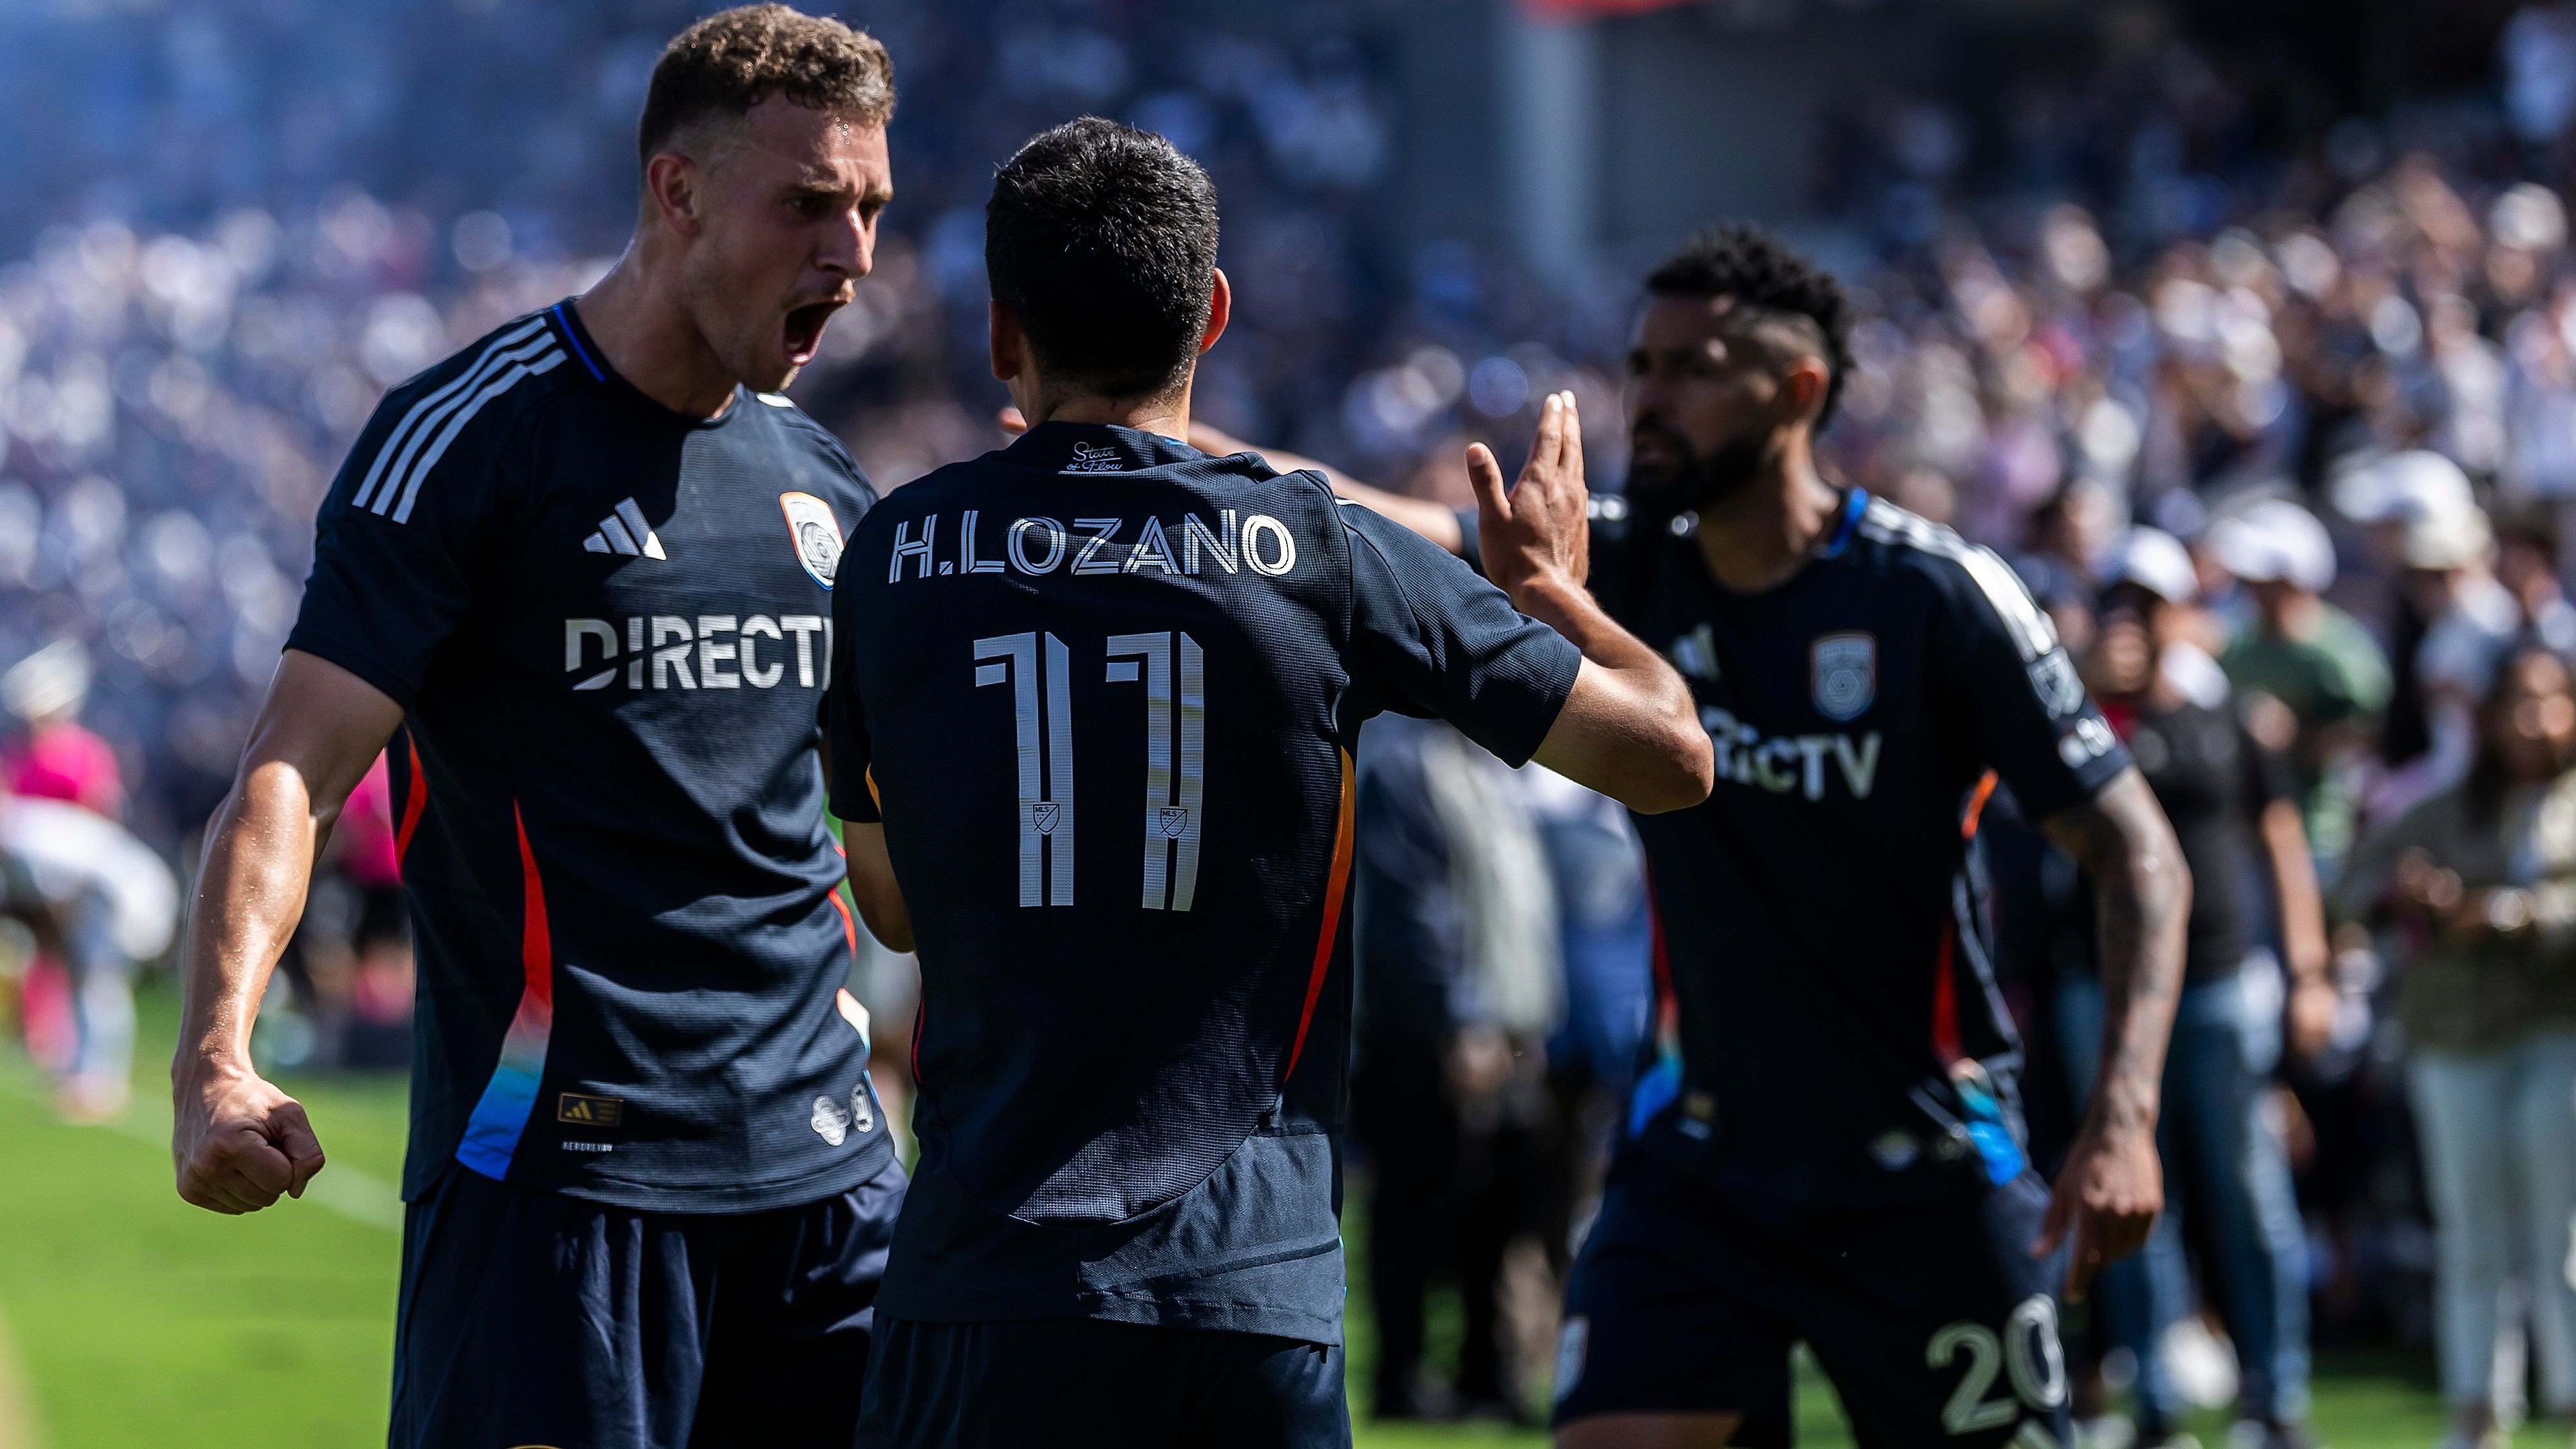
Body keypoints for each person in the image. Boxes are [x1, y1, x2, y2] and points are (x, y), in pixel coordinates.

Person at [1215, 224, 2191, 1449]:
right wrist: (1182, 452)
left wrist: (2125, 1113)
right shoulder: (1623, 563)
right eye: (1642, 363)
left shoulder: (1935, 594)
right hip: (1701, 1163)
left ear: (1798, 393)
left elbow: (2136, 849)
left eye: (1691, 367)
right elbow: (1370, 522)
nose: (1650, 397)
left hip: (1925, 1158)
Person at [822, 118, 1711, 1448]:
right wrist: (1547, 595)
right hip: (1243, 1290)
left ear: (1003, 331)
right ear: (1215, 315)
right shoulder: (1315, 550)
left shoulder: (890, 555)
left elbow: (888, 909)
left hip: (981, 1279)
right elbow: (1669, 761)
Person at [166, 9, 906, 1446]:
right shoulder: (468, 438)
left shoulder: (824, 480)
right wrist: (213, 1058)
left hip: (829, 1186)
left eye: (871, 208)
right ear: (676, 192)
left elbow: (894, 858)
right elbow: (293, 773)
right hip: (553, 1182)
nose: (855, 257)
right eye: (809, 203)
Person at [2068, 527, 2333, 1448]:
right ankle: (2157, 1404)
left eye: (2150, 605)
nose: (2131, 624)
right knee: (2136, 1196)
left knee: (2249, 1189)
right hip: (2102, 988)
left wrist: (2308, 969)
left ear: (2183, 614)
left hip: (2221, 982)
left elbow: (2285, 847)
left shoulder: (2230, 722)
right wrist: (2092, 698)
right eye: (2119, 604)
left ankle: (2275, 1395)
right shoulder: (2077, 726)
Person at [2332, 643, 2576, 1449]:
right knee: (2472, 1234)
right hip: (2456, 1038)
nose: (2533, 720)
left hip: (2556, 1034)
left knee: (2560, 1233)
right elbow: (2354, 885)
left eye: (2549, 700)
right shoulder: (2442, 806)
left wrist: (2516, 914)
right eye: (2518, 701)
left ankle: (2569, 1397)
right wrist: (2408, 891)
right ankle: (2476, 1410)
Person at [2210, 497, 2393, 875]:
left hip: (2319, 836)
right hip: (2248, 831)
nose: (2255, 589)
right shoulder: (2238, 647)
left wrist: (2299, 736)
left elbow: (2373, 733)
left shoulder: (2342, 655)